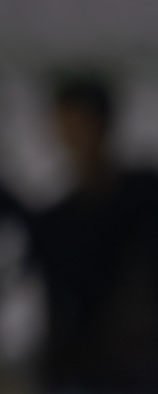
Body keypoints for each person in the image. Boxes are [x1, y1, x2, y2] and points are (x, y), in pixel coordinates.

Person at [30, 78, 158, 393]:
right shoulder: (57, 220)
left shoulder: (143, 198)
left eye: (81, 125)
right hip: (85, 364)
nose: (75, 137)